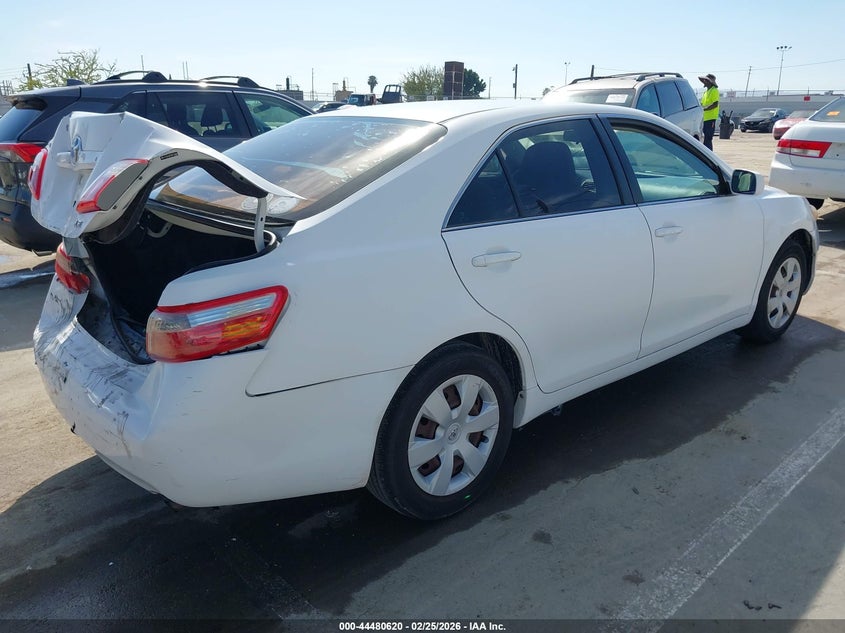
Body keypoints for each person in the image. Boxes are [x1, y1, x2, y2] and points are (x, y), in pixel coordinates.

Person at [699, 73, 719, 150]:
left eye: (706, 80)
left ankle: (709, 155)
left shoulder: (714, 91)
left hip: (711, 118)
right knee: (705, 138)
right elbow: (702, 104)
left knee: (708, 138)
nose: (704, 81)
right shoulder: (706, 92)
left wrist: (704, 109)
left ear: (710, 82)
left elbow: (715, 104)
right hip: (704, 118)